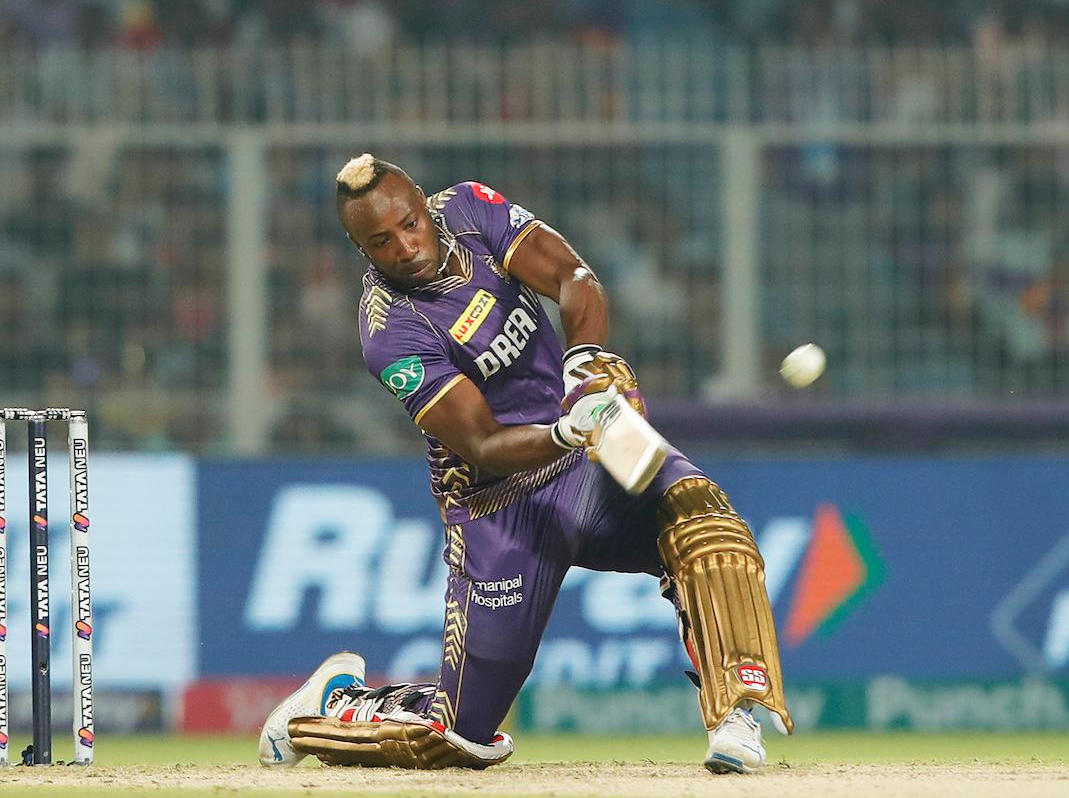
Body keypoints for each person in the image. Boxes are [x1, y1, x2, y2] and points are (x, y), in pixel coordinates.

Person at [258, 154, 794, 773]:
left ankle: (738, 717)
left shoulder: (468, 209)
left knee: (705, 521)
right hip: (499, 506)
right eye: (382, 241)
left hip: (593, 451)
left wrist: (585, 360)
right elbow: (482, 443)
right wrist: (569, 429)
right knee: (458, 738)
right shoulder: (389, 332)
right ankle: (324, 710)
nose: (406, 247)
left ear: (423, 205)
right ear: (361, 250)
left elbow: (574, 276)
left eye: (409, 224)